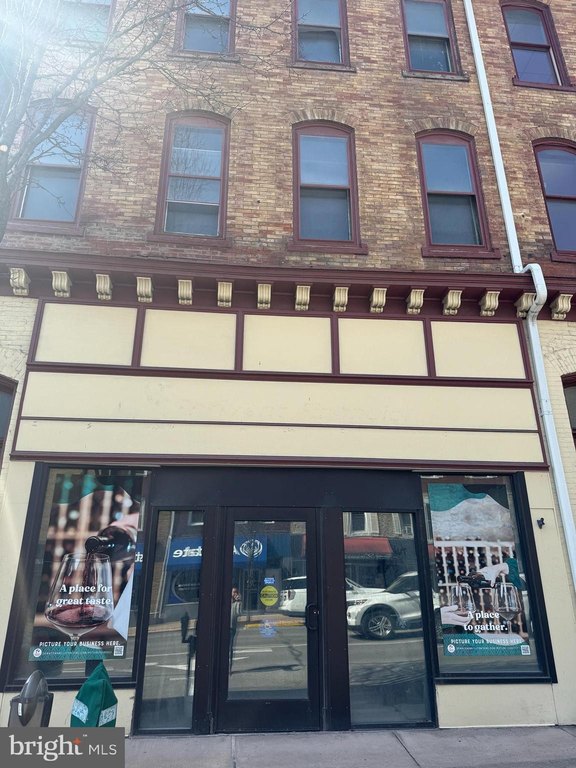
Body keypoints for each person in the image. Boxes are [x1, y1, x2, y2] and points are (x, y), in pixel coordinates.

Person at [229, 586, 242, 669]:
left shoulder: (237, 603)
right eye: (233, 592)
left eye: (236, 592)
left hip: (232, 628)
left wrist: (238, 602)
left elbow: (238, 613)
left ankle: (229, 665)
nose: (234, 594)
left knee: (230, 647)